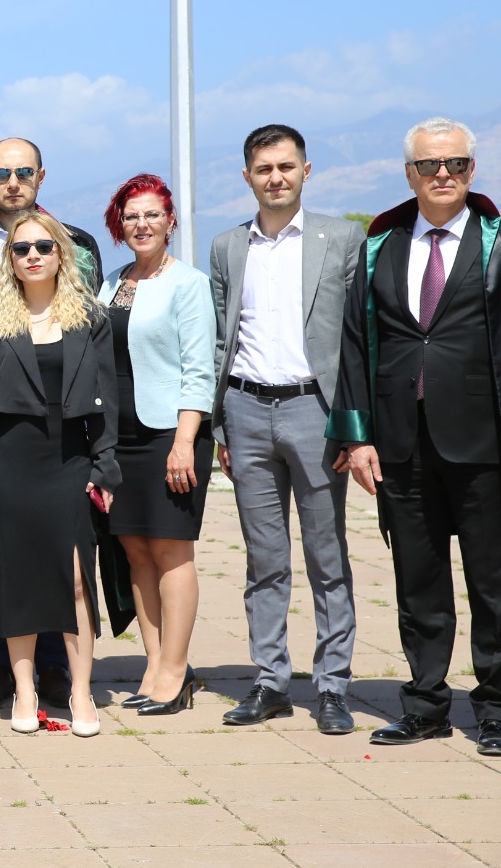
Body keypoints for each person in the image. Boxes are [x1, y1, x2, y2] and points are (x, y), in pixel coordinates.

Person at [329, 117, 501, 753]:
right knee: (418, 581)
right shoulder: (381, 245)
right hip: (400, 442)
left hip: (484, 441)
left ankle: (496, 708)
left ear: (471, 169)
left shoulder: (495, 240)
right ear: (409, 174)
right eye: (429, 166)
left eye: (454, 164)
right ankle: (425, 704)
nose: (442, 175)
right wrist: (357, 438)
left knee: (492, 582)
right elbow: (354, 346)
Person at [210, 125, 363, 735]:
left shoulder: (342, 238)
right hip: (246, 411)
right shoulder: (226, 247)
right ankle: (270, 680)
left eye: (286, 166)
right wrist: (220, 422)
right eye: (264, 168)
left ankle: (332, 687)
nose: (276, 177)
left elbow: (357, 341)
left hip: (315, 413)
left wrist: (354, 429)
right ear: (246, 176)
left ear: (306, 170)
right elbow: (222, 338)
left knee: (328, 558)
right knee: (264, 560)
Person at [0, 212, 119, 736]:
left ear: (61, 255)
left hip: (71, 462)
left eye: (43, 247)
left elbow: (108, 403)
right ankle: (24, 693)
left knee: (77, 582)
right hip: (11, 463)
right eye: (21, 248)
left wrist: (106, 465)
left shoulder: (90, 318)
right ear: (9, 260)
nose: (32, 255)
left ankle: (80, 693)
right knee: (21, 583)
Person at [97, 175, 214, 716]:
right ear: (119, 225)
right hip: (116, 436)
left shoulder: (187, 283)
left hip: (170, 434)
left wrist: (184, 440)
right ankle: (155, 665)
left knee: (170, 552)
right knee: (135, 551)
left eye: (152, 215)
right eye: (131, 216)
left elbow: (199, 368)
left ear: (170, 221)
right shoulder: (112, 282)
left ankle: (175, 671)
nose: (141, 224)